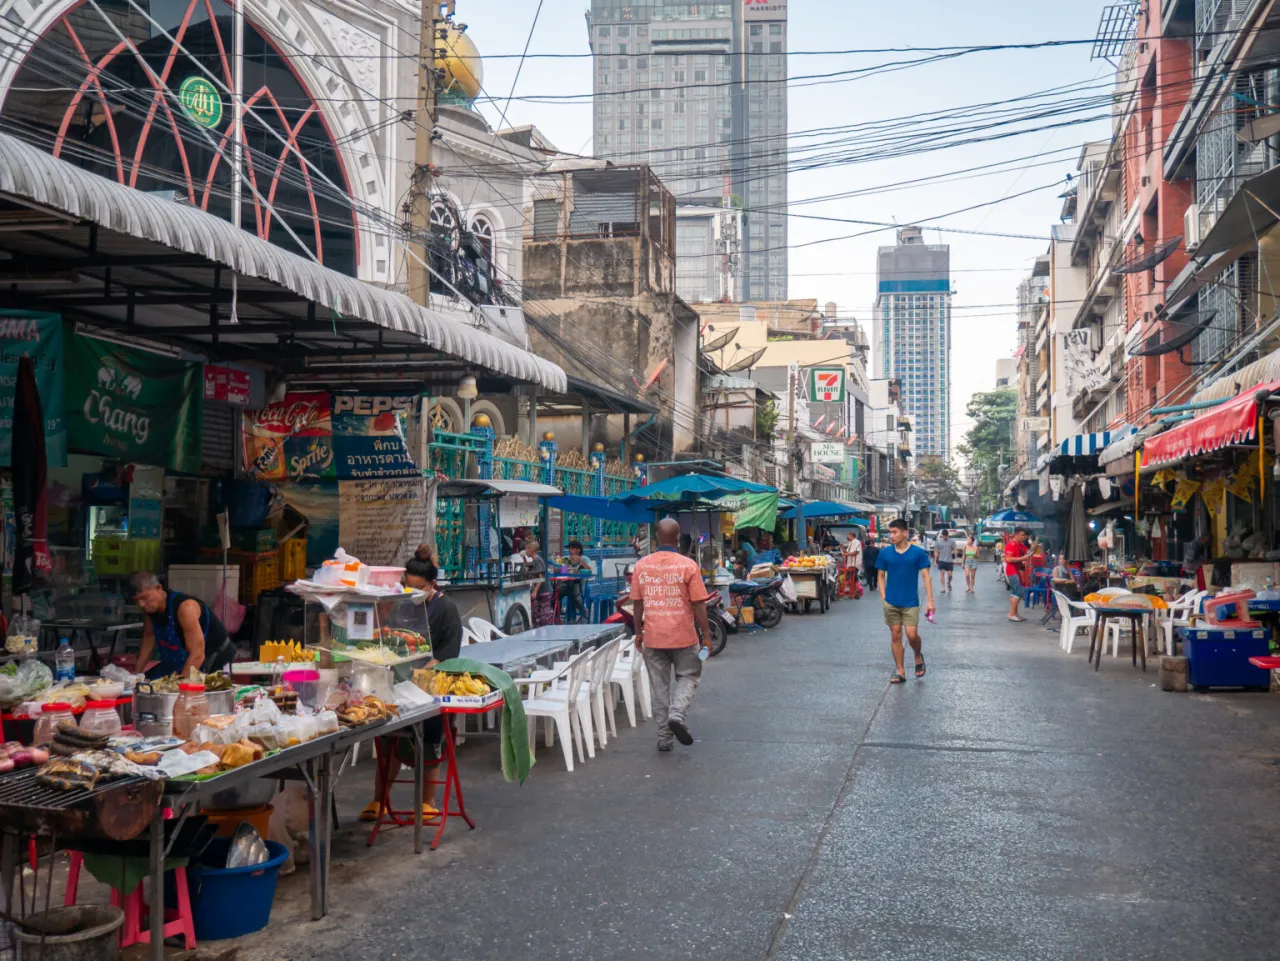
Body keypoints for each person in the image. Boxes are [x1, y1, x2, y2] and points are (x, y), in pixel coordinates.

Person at [361, 545, 462, 822]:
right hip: (396, 686)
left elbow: (447, 657)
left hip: (428, 689)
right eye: (407, 585)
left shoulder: (447, 611)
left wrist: (419, 676)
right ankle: (379, 799)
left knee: (429, 738)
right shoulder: (402, 604)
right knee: (387, 741)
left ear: (432, 585)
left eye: (417, 588)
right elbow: (389, 637)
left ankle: (427, 801)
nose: (411, 592)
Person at [632, 517, 712, 751]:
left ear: (657, 537)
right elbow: (699, 604)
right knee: (689, 676)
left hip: (653, 637)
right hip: (683, 636)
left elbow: (637, 604)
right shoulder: (688, 565)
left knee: (659, 690)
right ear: (678, 538)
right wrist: (706, 635)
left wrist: (639, 633)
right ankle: (677, 714)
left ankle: (664, 739)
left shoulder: (642, 566)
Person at [129, 571, 234, 679]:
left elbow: (197, 654)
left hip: (212, 658)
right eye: (136, 601)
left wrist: (181, 687)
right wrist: (136, 674)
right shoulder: (150, 610)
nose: (141, 604)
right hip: (178, 662)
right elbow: (149, 637)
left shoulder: (185, 608)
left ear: (158, 588)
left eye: (145, 597)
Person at [876, 519, 934, 684]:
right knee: (895, 635)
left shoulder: (918, 553)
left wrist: (930, 601)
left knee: (912, 635)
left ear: (905, 533)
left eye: (895, 532)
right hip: (891, 601)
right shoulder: (885, 553)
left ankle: (917, 655)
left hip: (910, 601)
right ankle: (900, 671)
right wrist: (883, 596)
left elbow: (926, 577)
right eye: (890, 532)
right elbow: (880, 575)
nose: (891, 535)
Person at [562, 540, 595, 622]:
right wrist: (562, 566)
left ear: (578, 550)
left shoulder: (585, 559)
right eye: (570, 549)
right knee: (556, 593)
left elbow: (589, 570)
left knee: (575, 596)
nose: (570, 551)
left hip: (578, 583)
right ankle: (558, 615)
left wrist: (580, 560)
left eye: (572, 549)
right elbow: (562, 572)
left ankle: (584, 612)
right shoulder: (566, 559)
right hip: (565, 583)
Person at [1004, 528, 1032, 622]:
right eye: (1022, 535)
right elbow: (1008, 559)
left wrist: (1033, 549)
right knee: (1019, 592)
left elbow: (1027, 551)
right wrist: (1023, 558)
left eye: (1024, 535)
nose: (1023, 537)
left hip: (1017, 570)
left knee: (1015, 592)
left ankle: (1015, 614)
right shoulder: (1011, 545)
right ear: (1016, 534)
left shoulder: (1020, 545)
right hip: (1012, 571)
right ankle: (1011, 614)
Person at [933, 530, 956, 594]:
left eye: (946, 536)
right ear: (942, 535)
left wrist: (956, 558)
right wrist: (935, 561)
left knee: (950, 575)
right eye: (944, 536)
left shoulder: (951, 541)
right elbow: (936, 552)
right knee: (942, 573)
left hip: (949, 560)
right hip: (941, 560)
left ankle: (949, 582)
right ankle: (943, 588)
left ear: (948, 535)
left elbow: (955, 549)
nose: (945, 537)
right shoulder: (939, 542)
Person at [842, 532, 863, 597]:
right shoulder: (850, 543)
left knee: (850, 576)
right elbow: (847, 552)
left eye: (848, 535)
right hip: (850, 563)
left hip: (855, 563)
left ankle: (857, 589)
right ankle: (854, 591)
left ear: (851, 535)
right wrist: (842, 547)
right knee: (851, 577)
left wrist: (846, 554)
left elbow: (856, 552)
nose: (847, 537)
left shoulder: (857, 542)